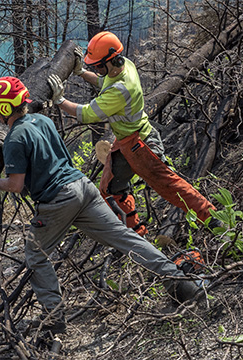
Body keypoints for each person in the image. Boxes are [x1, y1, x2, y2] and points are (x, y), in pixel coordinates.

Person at [0, 76, 204, 334]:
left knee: (35, 255)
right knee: (125, 238)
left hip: (58, 200)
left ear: (3, 108)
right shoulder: (43, 121)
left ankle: (54, 320)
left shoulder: (15, 137)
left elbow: (14, 185)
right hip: (83, 188)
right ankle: (181, 283)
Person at [48, 31, 218, 236]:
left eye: (99, 66)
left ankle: (214, 220)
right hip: (127, 142)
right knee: (110, 189)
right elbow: (104, 82)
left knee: (171, 187)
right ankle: (136, 235)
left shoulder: (121, 89)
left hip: (142, 145)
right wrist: (82, 72)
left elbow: (86, 113)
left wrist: (59, 100)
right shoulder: (123, 65)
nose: (97, 70)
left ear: (111, 61)